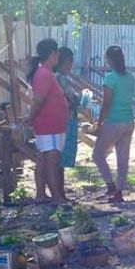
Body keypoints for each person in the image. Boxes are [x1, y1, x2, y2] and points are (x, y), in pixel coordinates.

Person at [27, 38, 70, 205]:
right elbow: (38, 100)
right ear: (53, 53)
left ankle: (46, 195)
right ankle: (56, 198)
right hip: (48, 127)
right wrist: (30, 118)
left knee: (48, 161)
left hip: (53, 126)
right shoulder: (44, 73)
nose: (58, 56)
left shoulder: (46, 73)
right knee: (51, 162)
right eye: (57, 53)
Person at [93, 45, 135, 204]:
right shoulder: (130, 77)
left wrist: (99, 123)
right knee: (123, 158)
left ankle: (110, 185)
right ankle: (119, 191)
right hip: (129, 121)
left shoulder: (110, 78)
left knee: (97, 154)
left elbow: (107, 103)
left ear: (109, 60)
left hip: (114, 121)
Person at [57, 47, 81, 183]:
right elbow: (71, 99)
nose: (71, 65)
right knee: (59, 162)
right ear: (66, 61)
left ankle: (60, 193)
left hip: (63, 121)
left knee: (59, 162)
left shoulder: (59, 77)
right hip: (65, 122)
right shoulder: (60, 78)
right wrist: (80, 98)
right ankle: (59, 194)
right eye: (71, 61)